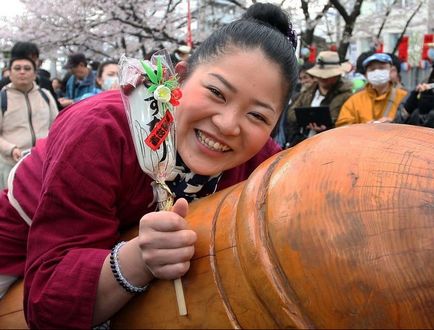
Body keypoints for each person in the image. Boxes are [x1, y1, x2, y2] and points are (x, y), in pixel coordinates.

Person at [0, 3, 298, 328]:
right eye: (216, 92)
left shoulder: (265, 164)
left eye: (257, 115)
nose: (228, 125)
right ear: (179, 78)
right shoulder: (100, 127)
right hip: (18, 243)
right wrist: (137, 259)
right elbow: (47, 303)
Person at [0, 57, 58, 188]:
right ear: (9, 73)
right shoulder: (2, 98)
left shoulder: (46, 95)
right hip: (11, 165)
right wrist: (10, 149)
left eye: (27, 69)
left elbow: (56, 127)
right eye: (17, 68)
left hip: (42, 163)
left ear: (34, 73)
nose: (22, 72)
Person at [285, 51, 353, 147]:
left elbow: (348, 125)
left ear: (337, 75)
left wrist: (327, 127)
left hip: (330, 145)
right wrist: (305, 119)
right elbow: (291, 114)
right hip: (303, 143)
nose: (323, 77)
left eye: (328, 75)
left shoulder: (347, 96)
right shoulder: (308, 91)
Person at [336, 53, 407, 126]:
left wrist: (394, 123)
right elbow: (343, 128)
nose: (377, 72)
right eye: (372, 69)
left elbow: (412, 126)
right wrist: (364, 129)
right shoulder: (354, 101)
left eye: (381, 68)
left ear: (391, 71)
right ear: (366, 74)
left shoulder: (403, 97)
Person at [0, 42, 61, 109]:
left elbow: (56, 110)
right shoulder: (3, 86)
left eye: (34, 59)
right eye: (27, 59)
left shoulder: (45, 84)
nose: (31, 63)